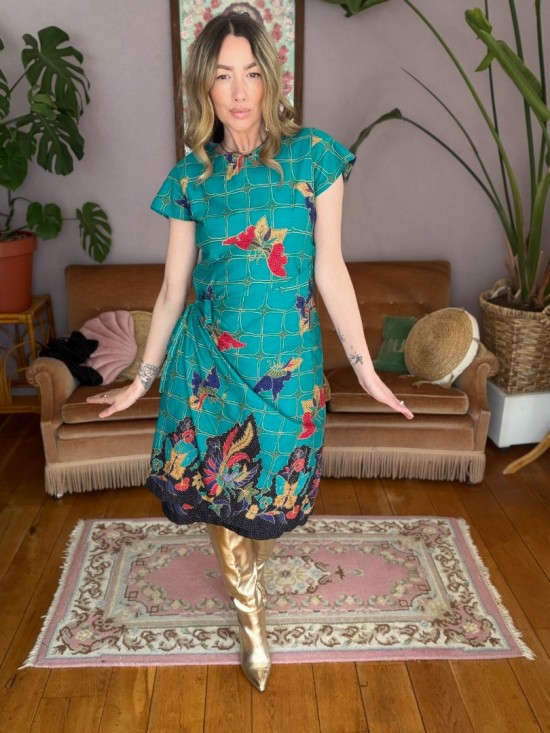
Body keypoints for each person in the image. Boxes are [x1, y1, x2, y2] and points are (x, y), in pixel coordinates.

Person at [88, 11, 414, 692]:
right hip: (207, 367)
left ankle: (252, 575)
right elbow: (173, 288)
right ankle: (252, 625)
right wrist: (142, 379)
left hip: (287, 372)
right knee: (220, 493)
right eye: (222, 77)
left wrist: (365, 371)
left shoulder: (314, 158)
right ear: (203, 87)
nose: (238, 92)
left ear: (271, 78)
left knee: (267, 504)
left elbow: (331, 271)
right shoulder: (192, 177)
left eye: (251, 74)